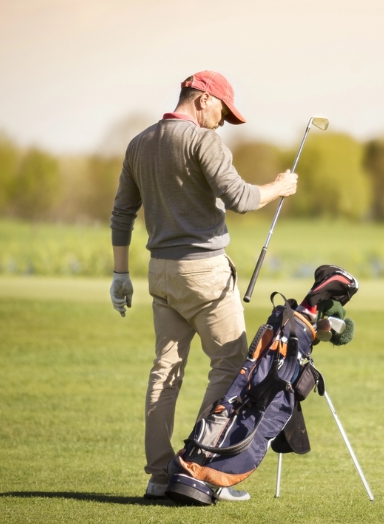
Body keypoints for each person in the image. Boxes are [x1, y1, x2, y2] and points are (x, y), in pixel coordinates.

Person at [108, 71, 297, 502]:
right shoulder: (202, 141)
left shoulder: (139, 143)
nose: (222, 122)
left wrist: (120, 274)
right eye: (222, 112)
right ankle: (201, 469)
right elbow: (243, 200)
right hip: (206, 273)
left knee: (165, 372)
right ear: (202, 100)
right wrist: (280, 186)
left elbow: (121, 214)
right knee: (232, 368)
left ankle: (159, 476)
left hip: (161, 273)